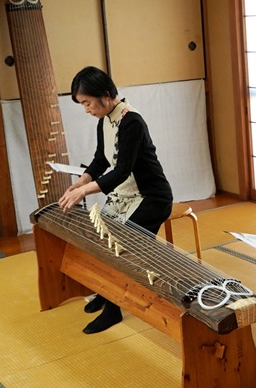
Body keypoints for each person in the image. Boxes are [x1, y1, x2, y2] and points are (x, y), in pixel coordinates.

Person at [58, 66, 173, 334]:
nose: (86, 109)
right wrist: (80, 182)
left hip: (151, 198)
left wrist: (84, 192)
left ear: (106, 96)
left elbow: (122, 170)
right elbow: (101, 159)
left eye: (87, 102)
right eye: (82, 104)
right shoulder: (104, 120)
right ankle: (105, 291)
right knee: (100, 236)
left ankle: (113, 309)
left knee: (117, 245)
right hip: (127, 194)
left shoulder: (132, 121)